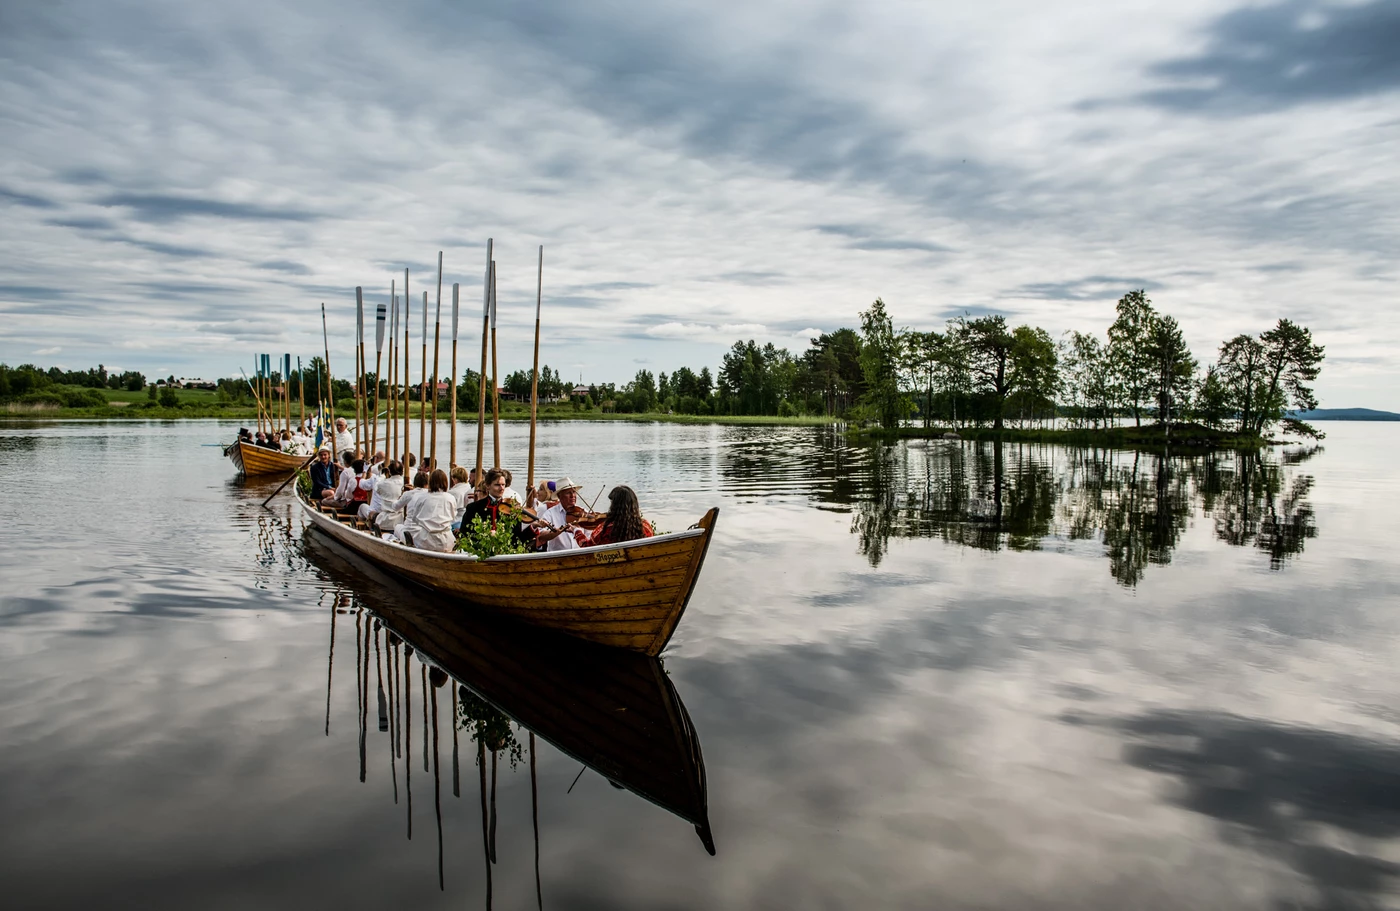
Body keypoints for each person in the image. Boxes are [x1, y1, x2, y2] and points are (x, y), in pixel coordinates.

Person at [574, 485, 653, 547]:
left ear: (614, 506)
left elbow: (587, 547)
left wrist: (577, 531)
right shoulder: (645, 526)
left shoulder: (605, 529)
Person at [404, 469, 457, 553]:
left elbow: (415, 518)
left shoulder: (422, 498)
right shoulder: (450, 498)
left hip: (426, 540)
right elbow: (453, 517)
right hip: (446, 541)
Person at [527, 476, 581, 552]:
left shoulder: (582, 512)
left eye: (574, 492)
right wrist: (558, 531)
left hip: (580, 555)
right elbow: (541, 535)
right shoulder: (550, 513)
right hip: (557, 557)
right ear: (559, 496)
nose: (573, 496)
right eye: (568, 493)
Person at [387, 471, 430, 542]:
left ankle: (398, 542)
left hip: (409, 531)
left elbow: (395, 507)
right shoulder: (429, 495)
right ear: (427, 484)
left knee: (397, 526)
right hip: (422, 534)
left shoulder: (408, 494)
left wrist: (400, 497)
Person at [359, 459, 403, 527]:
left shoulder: (381, 482)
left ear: (389, 471)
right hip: (400, 518)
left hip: (385, 517)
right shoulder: (407, 482)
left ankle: (364, 529)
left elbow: (374, 486)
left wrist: (380, 475)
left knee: (363, 508)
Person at [448, 466, 473, 531]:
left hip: (455, 522)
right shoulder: (469, 488)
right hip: (466, 520)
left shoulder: (453, 492)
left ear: (455, 479)